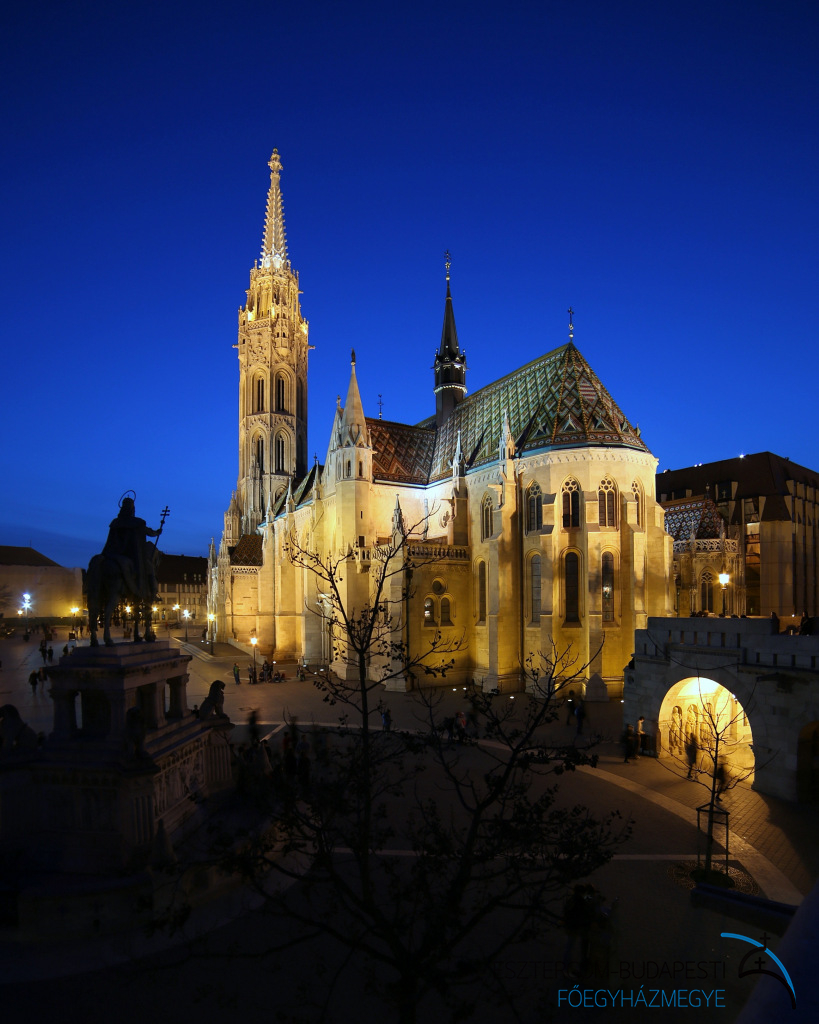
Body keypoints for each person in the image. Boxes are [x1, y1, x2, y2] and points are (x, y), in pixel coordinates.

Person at [102, 495, 162, 602]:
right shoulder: (137, 522)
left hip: (112, 553)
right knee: (150, 569)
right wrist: (157, 532)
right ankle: (152, 593)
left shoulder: (115, 523)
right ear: (132, 509)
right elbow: (150, 532)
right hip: (132, 554)